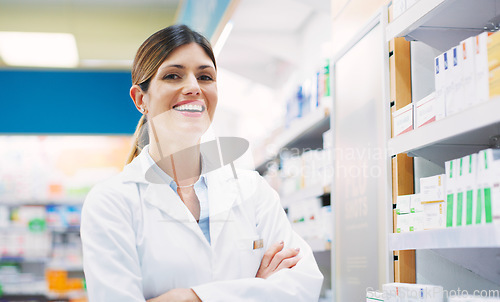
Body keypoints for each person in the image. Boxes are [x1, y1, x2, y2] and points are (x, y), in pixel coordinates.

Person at [80, 24, 323, 301]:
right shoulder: (111, 201)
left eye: (205, 76)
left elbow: (303, 283)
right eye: (173, 75)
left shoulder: (253, 190)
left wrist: (189, 297)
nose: (194, 87)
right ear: (140, 99)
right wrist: (254, 287)